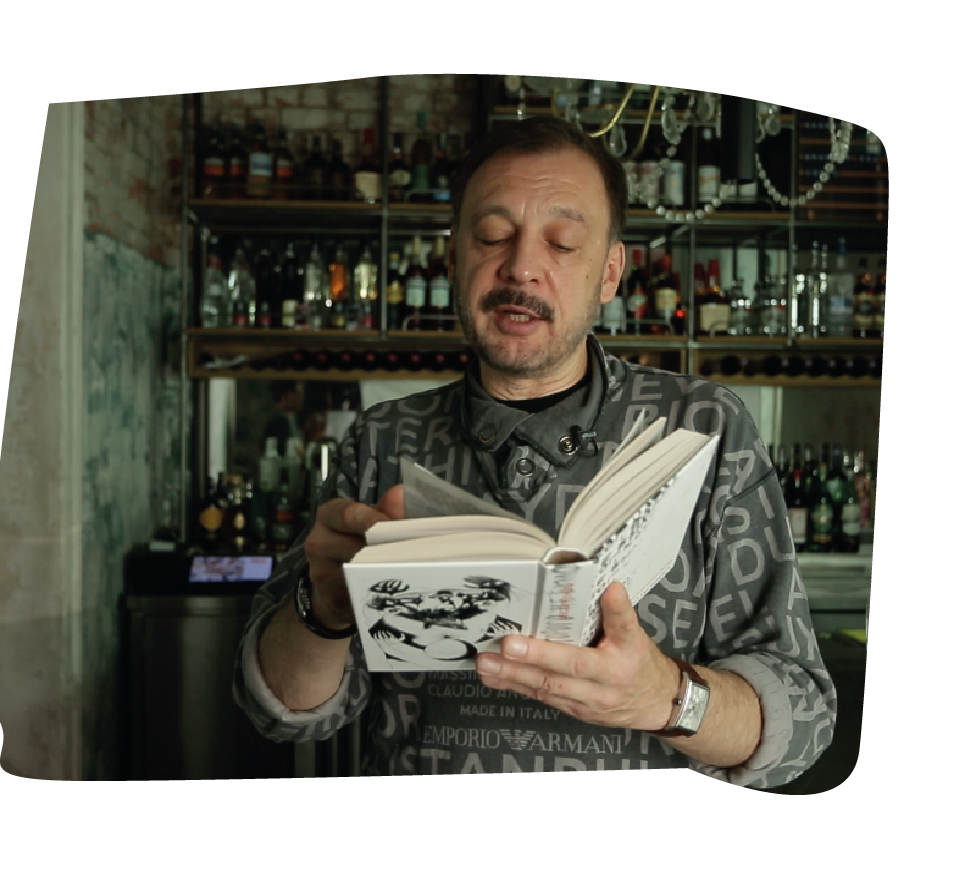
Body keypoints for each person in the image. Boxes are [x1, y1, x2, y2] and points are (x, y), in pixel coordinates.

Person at [233, 117, 836, 785]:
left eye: (563, 243)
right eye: (493, 236)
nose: (520, 267)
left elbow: (801, 719)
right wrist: (321, 609)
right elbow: (283, 712)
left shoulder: (702, 427)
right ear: (454, 257)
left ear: (609, 273)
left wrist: (663, 696)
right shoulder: (381, 439)